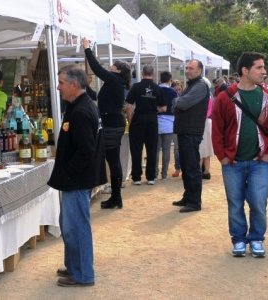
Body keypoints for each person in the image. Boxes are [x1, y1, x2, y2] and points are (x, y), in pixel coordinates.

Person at [211, 52, 268, 257]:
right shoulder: (225, 98)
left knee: (259, 201)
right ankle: (239, 239)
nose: (264, 71)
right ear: (245, 70)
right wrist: (223, 157)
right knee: (235, 203)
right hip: (232, 162)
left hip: (260, 162)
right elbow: (217, 130)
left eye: (263, 67)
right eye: (259, 67)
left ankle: (257, 238)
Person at [48, 65, 107, 287]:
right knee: (69, 226)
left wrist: (68, 173)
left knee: (77, 227)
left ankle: (83, 274)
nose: (58, 87)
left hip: (77, 180)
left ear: (74, 85)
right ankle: (74, 267)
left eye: (61, 83)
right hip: (75, 179)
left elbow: (86, 151)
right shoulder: (77, 105)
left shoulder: (82, 111)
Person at [83, 38, 131, 209]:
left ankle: (116, 197)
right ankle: (116, 197)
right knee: (113, 160)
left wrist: (87, 49)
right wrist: (86, 87)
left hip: (111, 124)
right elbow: (98, 97)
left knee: (112, 160)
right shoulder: (115, 83)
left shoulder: (113, 80)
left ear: (117, 69)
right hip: (113, 122)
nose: (110, 66)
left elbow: (96, 68)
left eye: (112, 65)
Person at [171, 59, 209, 213]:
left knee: (192, 167)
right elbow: (180, 102)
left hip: (191, 132)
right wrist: (178, 101)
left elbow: (182, 103)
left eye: (191, 68)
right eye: (186, 68)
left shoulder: (200, 86)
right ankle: (188, 197)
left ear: (199, 70)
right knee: (187, 167)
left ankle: (194, 202)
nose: (187, 70)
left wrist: (176, 100)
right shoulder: (192, 85)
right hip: (185, 130)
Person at [125, 65, 166, 185]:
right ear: (153, 74)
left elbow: (129, 106)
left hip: (138, 118)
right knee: (152, 148)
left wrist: (130, 120)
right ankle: (151, 177)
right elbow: (164, 108)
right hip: (152, 119)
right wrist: (154, 109)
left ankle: (137, 177)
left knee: (136, 148)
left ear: (142, 73)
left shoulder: (136, 87)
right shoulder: (158, 88)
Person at [155, 71, 178, 180]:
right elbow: (176, 107)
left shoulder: (155, 89)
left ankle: (154, 173)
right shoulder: (173, 92)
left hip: (156, 121)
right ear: (170, 80)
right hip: (169, 123)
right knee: (166, 150)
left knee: (155, 150)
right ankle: (164, 174)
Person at [170, 80, 183, 177]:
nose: (178, 91)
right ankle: (178, 168)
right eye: (176, 89)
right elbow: (172, 111)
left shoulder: (186, 97)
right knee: (177, 149)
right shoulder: (173, 99)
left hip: (184, 125)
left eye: (179, 88)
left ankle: (183, 169)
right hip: (176, 124)